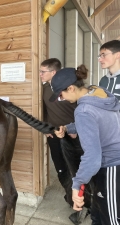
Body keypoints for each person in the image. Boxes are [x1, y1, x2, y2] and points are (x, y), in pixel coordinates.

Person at [51, 65, 120, 225]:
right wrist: (69, 128)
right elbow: (99, 121)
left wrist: (77, 184)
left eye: (61, 95)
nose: (62, 99)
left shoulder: (83, 110)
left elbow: (92, 157)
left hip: (111, 167)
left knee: (111, 219)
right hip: (113, 164)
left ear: (71, 88)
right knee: (97, 214)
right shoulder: (99, 94)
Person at [40, 58, 77, 198]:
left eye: (43, 71)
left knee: (75, 167)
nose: (40, 74)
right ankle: (70, 196)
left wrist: (76, 131)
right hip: (54, 134)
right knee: (60, 167)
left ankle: (83, 197)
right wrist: (45, 128)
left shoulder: (71, 88)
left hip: (74, 135)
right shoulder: (43, 89)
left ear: (53, 72)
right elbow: (42, 111)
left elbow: (82, 110)